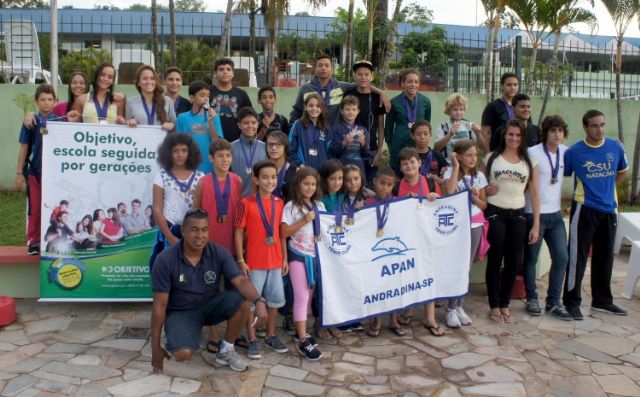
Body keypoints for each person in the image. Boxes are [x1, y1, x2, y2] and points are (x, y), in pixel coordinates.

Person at [151, 209, 268, 373]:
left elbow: (240, 280)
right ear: (183, 231)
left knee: (243, 301)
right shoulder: (165, 259)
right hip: (181, 311)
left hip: (209, 306)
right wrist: (154, 346)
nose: (200, 235)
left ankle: (226, 350)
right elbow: (160, 306)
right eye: (194, 230)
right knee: (182, 354)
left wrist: (259, 300)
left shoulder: (218, 252)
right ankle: (178, 331)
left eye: (204, 230)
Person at [563, 110, 629, 319]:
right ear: (585, 127)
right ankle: (572, 302)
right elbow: (561, 175)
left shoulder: (614, 147)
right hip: (584, 208)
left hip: (609, 210)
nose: (599, 129)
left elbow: (623, 172)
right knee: (577, 257)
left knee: (605, 257)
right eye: (594, 125)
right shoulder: (574, 152)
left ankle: (602, 301)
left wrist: (608, 188)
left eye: (602, 125)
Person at [484, 119, 540, 324]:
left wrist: (536, 224)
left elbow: (534, 193)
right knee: (495, 260)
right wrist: (486, 190)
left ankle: (505, 303)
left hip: (518, 215)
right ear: (504, 135)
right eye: (510, 134)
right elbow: (480, 186)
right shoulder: (491, 158)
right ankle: (494, 304)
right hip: (495, 213)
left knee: (513, 261)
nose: (514, 138)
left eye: (518, 135)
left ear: (522, 137)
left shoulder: (529, 161)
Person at [234, 160, 289, 359]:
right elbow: (238, 233)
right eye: (265, 177)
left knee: (275, 302)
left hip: (275, 261)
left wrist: (284, 258)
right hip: (254, 263)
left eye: (273, 177)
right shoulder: (246, 203)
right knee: (250, 303)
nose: (270, 181)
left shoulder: (279, 202)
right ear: (256, 180)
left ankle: (271, 334)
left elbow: (281, 233)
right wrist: (241, 260)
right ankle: (251, 338)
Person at [521, 115, 572, 320]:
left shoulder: (566, 152)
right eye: (553, 130)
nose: (557, 134)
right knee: (531, 258)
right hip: (534, 213)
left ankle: (553, 302)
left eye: (560, 130)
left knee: (561, 257)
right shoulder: (532, 153)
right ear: (545, 132)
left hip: (556, 214)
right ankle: (532, 298)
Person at [392, 147, 443, 337]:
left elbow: (441, 206)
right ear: (400, 167)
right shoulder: (397, 187)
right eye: (405, 163)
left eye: (412, 162)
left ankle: (430, 317)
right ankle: (408, 309)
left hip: (427, 238)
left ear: (419, 163)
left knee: (427, 275)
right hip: (406, 239)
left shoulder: (429, 183)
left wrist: (434, 198)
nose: (409, 166)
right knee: (407, 275)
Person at [280, 167, 325, 360]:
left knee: (309, 296)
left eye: (313, 184)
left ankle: (304, 331)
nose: (309, 187)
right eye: (306, 183)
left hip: (315, 257)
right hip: (298, 255)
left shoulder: (320, 206)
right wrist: (304, 220)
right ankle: (302, 338)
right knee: (301, 295)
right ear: (298, 185)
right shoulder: (291, 206)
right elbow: (283, 232)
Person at [443, 139, 488, 328]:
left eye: (475, 155)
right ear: (458, 156)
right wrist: (454, 167)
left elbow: (485, 205)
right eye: (468, 155)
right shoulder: (449, 172)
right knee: (457, 265)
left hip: (475, 223)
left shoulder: (480, 177)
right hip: (457, 225)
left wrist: (476, 199)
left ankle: (459, 305)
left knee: (467, 266)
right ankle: (450, 309)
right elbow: (450, 191)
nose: (473, 158)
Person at [150, 133, 205, 269]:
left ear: (190, 152)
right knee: (168, 272)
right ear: (168, 153)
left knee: (189, 272)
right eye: (175, 151)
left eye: (184, 150)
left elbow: (203, 208)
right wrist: (170, 237)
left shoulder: (200, 176)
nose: (180, 154)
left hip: (193, 233)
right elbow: (157, 209)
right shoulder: (161, 176)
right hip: (168, 230)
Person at [15, 84, 58, 255]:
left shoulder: (61, 121)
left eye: (50, 99)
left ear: (56, 101)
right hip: (35, 172)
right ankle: (34, 241)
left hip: (55, 174)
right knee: (35, 207)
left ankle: (53, 239)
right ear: (36, 101)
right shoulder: (30, 122)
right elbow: (24, 147)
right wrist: (19, 173)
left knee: (54, 209)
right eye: (43, 100)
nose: (46, 103)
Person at [364, 166, 407, 336]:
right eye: (382, 183)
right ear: (374, 182)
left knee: (394, 286)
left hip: (393, 255)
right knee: (377, 287)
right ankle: (377, 319)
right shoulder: (367, 204)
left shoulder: (397, 203)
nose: (385, 188)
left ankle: (393, 320)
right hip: (375, 254)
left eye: (389, 185)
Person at [290, 54, 389, 126]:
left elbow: (362, 84)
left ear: (332, 69)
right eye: (320, 65)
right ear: (315, 69)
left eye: (327, 65)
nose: (323, 68)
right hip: (311, 136)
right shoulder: (306, 89)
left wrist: (381, 93)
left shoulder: (340, 86)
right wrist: (293, 133)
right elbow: (296, 112)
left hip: (333, 137)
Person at [345, 60, 387, 186]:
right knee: (352, 186)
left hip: (371, 150)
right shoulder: (349, 94)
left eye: (366, 74)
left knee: (370, 185)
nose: (363, 77)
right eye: (359, 74)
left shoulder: (377, 98)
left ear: (372, 76)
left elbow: (380, 126)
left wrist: (379, 152)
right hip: (352, 149)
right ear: (355, 76)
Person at [385, 68, 432, 175]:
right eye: (409, 81)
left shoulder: (426, 102)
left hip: (418, 148)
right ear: (402, 83)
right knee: (398, 179)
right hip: (399, 147)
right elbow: (388, 130)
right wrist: (393, 150)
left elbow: (426, 127)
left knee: (419, 178)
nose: (413, 85)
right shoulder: (394, 102)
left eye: (416, 82)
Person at [176, 81, 223, 174]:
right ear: (192, 98)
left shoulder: (214, 116)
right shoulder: (182, 118)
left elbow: (217, 144)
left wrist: (211, 122)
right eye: (202, 95)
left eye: (207, 96)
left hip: (210, 167)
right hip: (189, 167)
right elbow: (179, 144)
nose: (206, 99)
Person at [210, 58, 253, 141]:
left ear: (233, 73)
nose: (225, 72)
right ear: (215, 73)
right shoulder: (208, 93)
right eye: (221, 69)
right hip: (212, 141)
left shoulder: (242, 94)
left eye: (228, 69)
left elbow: (249, 117)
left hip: (237, 142)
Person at [288, 93, 332, 171]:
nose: (314, 108)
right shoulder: (298, 125)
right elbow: (289, 150)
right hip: (304, 171)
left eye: (318, 106)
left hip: (321, 172)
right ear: (305, 107)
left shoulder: (326, 128)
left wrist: (327, 168)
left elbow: (331, 152)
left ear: (322, 108)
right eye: (311, 105)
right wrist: (299, 164)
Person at [330, 95, 371, 179]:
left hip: (359, 168)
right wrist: (344, 142)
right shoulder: (336, 129)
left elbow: (367, 154)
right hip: (342, 168)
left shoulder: (363, 130)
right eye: (347, 109)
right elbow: (333, 151)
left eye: (353, 109)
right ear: (342, 111)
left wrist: (363, 144)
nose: (350, 112)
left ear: (358, 111)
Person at [126, 65, 176, 132]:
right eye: (145, 78)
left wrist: (171, 125)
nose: (149, 82)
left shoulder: (167, 100)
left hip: (163, 141)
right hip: (139, 141)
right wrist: (128, 122)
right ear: (138, 83)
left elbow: (175, 124)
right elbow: (126, 127)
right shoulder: (130, 102)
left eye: (152, 78)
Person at [434, 93, 481, 165]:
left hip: (467, 166)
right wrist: (450, 134)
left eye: (461, 109)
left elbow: (479, 147)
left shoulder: (469, 125)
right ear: (448, 111)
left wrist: (478, 133)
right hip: (449, 166)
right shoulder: (443, 126)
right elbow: (436, 148)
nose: (458, 112)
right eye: (455, 109)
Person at [231, 107, 268, 197]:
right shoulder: (230, 147)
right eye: (246, 123)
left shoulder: (265, 147)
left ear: (258, 124)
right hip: (235, 199)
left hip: (258, 201)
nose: (250, 126)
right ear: (239, 125)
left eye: (253, 123)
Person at [481, 72, 519, 152]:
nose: (513, 87)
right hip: (498, 151)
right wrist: (488, 154)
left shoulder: (521, 107)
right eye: (509, 85)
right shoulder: (493, 106)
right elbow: (484, 133)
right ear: (502, 86)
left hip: (518, 152)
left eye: (515, 85)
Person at [411, 121, 446, 195]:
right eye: (418, 134)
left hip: (435, 194)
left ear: (430, 135)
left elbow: (447, 174)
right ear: (412, 135)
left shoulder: (437, 155)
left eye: (426, 134)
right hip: (416, 194)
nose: (422, 137)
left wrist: (441, 179)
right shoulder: (409, 156)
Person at [267, 131, 297, 201]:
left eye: (278, 144)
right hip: (264, 211)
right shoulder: (259, 169)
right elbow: (254, 196)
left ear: (285, 147)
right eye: (270, 144)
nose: (274, 148)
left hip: (287, 211)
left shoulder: (296, 171)